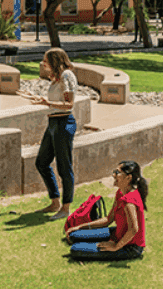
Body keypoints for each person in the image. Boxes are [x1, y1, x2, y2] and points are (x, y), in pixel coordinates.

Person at [22, 48, 80, 220]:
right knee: (42, 162)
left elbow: (69, 104)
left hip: (64, 123)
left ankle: (65, 207)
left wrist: (47, 102)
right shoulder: (57, 79)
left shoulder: (67, 76)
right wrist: (43, 101)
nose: (43, 64)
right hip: (53, 122)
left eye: (45, 60)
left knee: (64, 166)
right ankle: (55, 201)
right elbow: (57, 102)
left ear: (55, 60)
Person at [64, 160, 149, 261]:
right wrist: (79, 227)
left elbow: (134, 229)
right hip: (117, 233)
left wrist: (116, 246)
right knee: (74, 235)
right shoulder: (120, 193)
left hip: (130, 247)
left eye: (117, 172)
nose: (113, 175)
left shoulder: (129, 200)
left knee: (75, 249)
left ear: (128, 177)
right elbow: (108, 219)